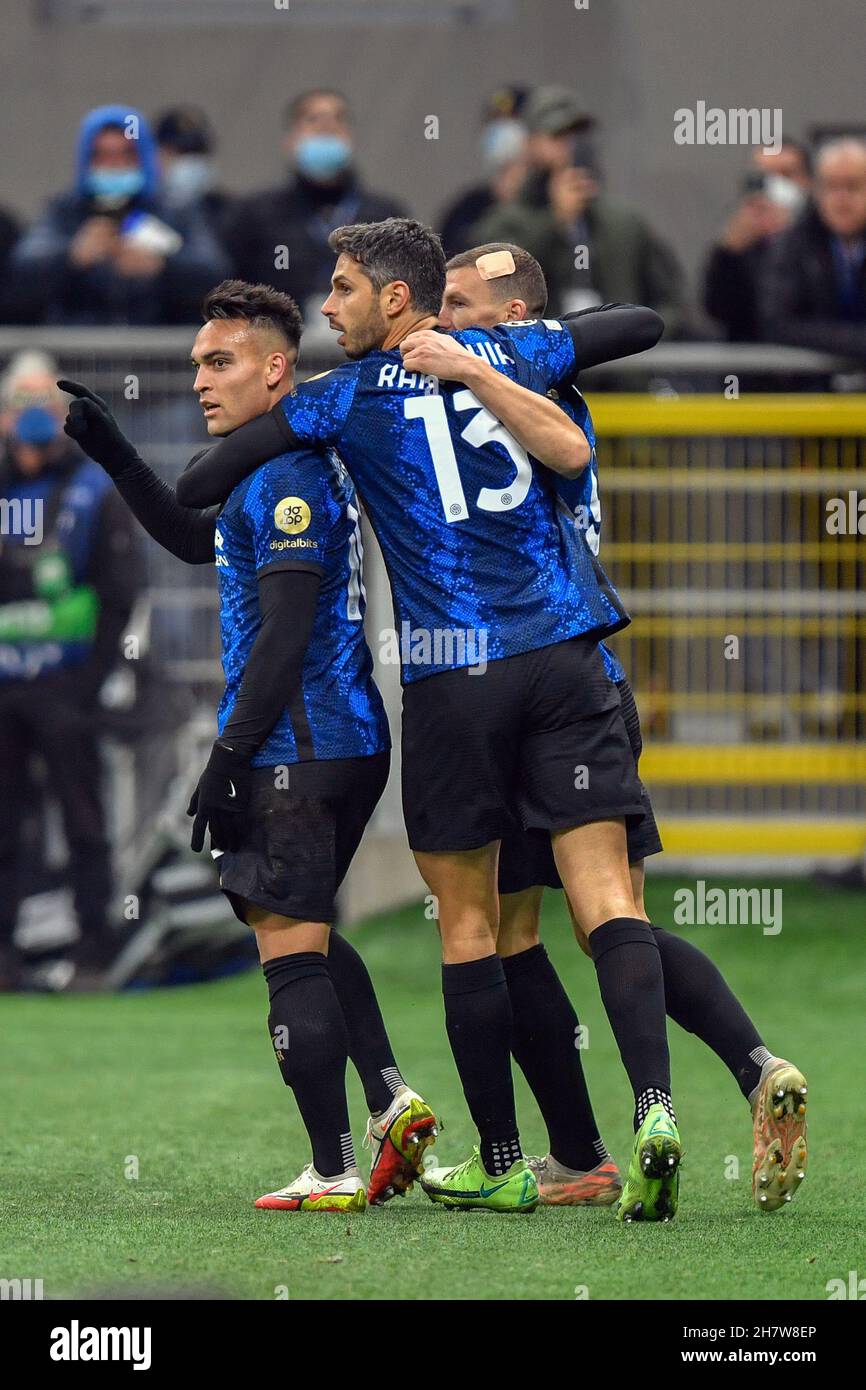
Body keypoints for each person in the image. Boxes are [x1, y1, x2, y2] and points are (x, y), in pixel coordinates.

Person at [176, 218, 684, 1221]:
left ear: (394, 300)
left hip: (455, 678)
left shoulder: (340, 398)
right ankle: (653, 1109)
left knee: (468, 922)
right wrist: (477, 359)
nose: (328, 304)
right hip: (568, 658)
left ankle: (498, 1158)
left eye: (343, 288)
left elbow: (202, 481)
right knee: (607, 905)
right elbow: (640, 321)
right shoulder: (503, 348)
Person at [439, 243, 810, 1214]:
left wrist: (488, 355)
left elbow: (638, 323)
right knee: (596, 914)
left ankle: (609, 1138)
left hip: (561, 676)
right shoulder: (468, 397)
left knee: (568, 915)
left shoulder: (523, 387)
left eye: (458, 301)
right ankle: (733, 1072)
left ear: (518, 319)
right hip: (549, 683)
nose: (440, 319)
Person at [58, 280, 437, 1213]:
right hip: (335, 743)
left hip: (295, 749)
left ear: (277, 369)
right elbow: (195, 539)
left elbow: (283, 634)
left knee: (289, 957)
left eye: (219, 362)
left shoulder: (290, 475)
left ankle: (332, 1165)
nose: (200, 379)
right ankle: (390, 1102)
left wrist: (228, 758)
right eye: (195, 363)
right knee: (296, 928)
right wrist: (112, 449)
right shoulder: (272, 467)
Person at [0, 355, 140, 990]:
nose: (32, 415)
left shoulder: (95, 490)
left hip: (68, 687)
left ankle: (95, 951)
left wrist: (87, 686)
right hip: (3, 690)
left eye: (44, 404)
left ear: (62, 417)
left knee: (84, 820)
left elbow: (120, 591)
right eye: (22, 402)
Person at [471, 85, 689, 330]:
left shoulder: (625, 222)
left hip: (616, 363)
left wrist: (638, 339)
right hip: (543, 363)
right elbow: (492, 294)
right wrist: (556, 223)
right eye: (558, 137)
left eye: (579, 136)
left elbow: (673, 300)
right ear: (530, 144)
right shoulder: (504, 223)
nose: (570, 147)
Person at [10, 105, 229, 325]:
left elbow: (214, 272)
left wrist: (162, 266)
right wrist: (72, 257)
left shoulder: (175, 209)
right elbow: (23, 270)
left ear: (143, 157)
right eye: (102, 156)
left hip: (157, 349)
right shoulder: (65, 211)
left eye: (126, 155)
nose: (114, 165)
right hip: (80, 349)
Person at [223, 89, 406, 322]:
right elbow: (233, 292)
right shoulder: (255, 215)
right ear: (290, 140)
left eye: (338, 119)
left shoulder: (386, 215)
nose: (327, 127)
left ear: (350, 137)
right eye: (313, 120)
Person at [759, 137, 866, 359]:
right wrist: (853, 342)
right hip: (809, 387)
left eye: (853, 186)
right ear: (817, 191)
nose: (842, 198)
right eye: (832, 186)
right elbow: (778, 322)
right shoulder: (792, 244)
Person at [703, 140, 812, 341]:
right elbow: (716, 309)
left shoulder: (824, 236)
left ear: (809, 180)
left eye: (786, 175)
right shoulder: (741, 240)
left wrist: (787, 238)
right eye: (764, 177)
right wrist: (730, 251)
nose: (775, 186)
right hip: (752, 364)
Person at [438, 86, 529, 260]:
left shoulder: (560, 203)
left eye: (512, 123)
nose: (502, 134)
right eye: (495, 124)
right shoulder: (468, 209)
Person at [154, 105, 235, 239]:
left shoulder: (230, 213)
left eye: (197, 154)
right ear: (157, 154)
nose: (190, 162)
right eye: (179, 153)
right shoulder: (145, 209)